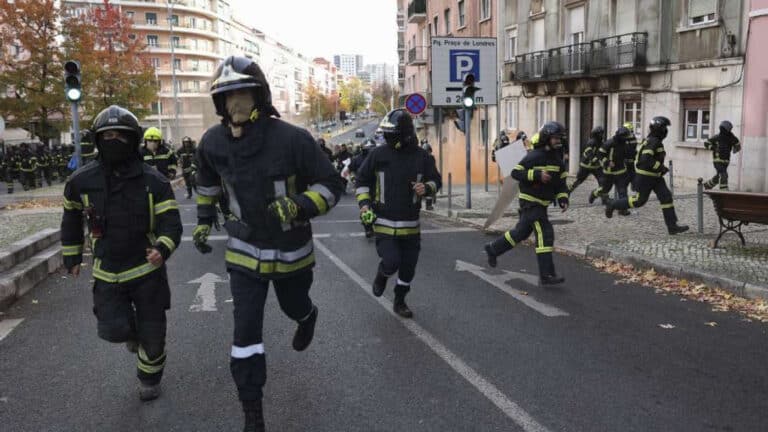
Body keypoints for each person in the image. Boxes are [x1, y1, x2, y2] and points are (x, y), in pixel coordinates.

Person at [192, 56, 343, 432]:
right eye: (228, 97)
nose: (235, 104)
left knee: (294, 304)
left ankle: (306, 316)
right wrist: (204, 220)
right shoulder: (212, 143)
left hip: (291, 251)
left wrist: (300, 204)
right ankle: (252, 411)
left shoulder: (293, 139)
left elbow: (331, 184)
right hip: (243, 253)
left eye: (242, 94)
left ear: (259, 96)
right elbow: (208, 183)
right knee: (245, 334)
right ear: (219, 104)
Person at [60, 105, 182, 401]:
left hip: (147, 272)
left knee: (153, 339)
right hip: (107, 273)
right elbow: (71, 218)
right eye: (108, 135)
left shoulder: (154, 181)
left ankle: (149, 378)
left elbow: (171, 223)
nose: (114, 140)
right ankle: (131, 335)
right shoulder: (81, 181)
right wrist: (72, 256)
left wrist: (163, 248)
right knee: (114, 330)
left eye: (121, 135)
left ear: (133, 138)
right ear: (97, 140)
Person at [355, 109, 441, 318]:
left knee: (408, 268)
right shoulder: (378, 154)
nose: (387, 137)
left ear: (404, 135)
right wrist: (365, 205)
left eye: (391, 134)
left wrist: (427, 188)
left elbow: (436, 180)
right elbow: (362, 180)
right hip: (383, 221)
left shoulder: (422, 157)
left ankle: (400, 299)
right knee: (391, 261)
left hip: (410, 224)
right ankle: (382, 274)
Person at [484, 121, 569, 285]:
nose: (558, 141)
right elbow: (516, 172)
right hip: (531, 203)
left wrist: (563, 197)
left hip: (542, 204)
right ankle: (546, 274)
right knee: (545, 233)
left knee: (520, 233)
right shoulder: (535, 155)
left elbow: (561, 183)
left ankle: (493, 249)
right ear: (546, 138)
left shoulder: (557, 159)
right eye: (555, 138)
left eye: (559, 138)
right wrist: (536, 175)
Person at [605, 117, 689, 234]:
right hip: (646, 177)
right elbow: (645, 160)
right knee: (639, 201)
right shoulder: (653, 141)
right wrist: (660, 167)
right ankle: (613, 204)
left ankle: (672, 226)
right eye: (664, 127)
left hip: (656, 177)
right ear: (658, 129)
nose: (666, 130)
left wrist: (660, 169)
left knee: (666, 197)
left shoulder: (653, 140)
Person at [589, 126, 632, 216]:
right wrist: (607, 162)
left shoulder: (625, 143)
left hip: (621, 171)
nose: (626, 139)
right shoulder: (609, 143)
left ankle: (622, 209)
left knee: (623, 191)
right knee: (605, 190)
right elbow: (600, 154)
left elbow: (627, 154)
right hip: (609, 172)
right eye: (625, 137)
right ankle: (594, 193)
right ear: (620, 136)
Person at [703, 120, 740, 190]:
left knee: (719, 175)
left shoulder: (731, 138)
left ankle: (708, 185)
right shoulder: (717, 137)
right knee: (724, 174)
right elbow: (706, 143)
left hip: (726, 161)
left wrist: (735, 148)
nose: (722, 130)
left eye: (723, 129)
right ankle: (724, 191)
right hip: (717, 160)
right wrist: (713, 148)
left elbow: (737, 145)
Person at [569, 126, 604, 194]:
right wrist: (594, 160)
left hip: (596, 167)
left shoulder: (600, 142)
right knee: (579, 181)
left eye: (602, 133)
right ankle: (567, 192)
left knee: (602, 182)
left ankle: (604, 197)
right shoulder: (591, 142)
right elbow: (589, 152)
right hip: (586, 166)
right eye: (600, 134)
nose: (601, 135)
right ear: (596, 134)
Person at [421, 141, 437, 210]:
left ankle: (426, 205)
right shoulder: (430, 157)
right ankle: (428, 206)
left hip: (423, 176)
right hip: (428, 176)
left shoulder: (421, 157)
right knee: (429, 191)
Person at [623, 122, 639, 191]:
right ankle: (634, 186)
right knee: (632, 173)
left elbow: (627, 149)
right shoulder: (633, 137)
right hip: (630, 159)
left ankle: (623, 188)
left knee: (626, 175)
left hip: (626, 160)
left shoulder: (626, 138)